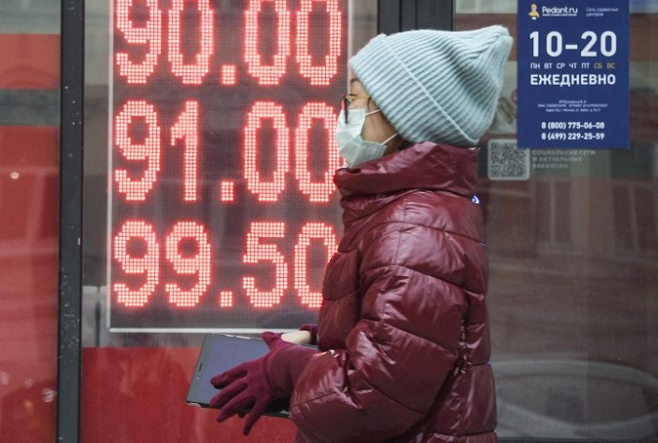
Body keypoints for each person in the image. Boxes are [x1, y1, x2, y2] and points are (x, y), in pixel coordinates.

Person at [210, 26, 513, 442]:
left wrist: (285, 368)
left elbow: (372, 395)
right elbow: (408, 343)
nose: (345, 112)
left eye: (356, 98)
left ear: (401, 115)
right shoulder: (416, 214)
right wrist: (319, 337)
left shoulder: (411, 229)